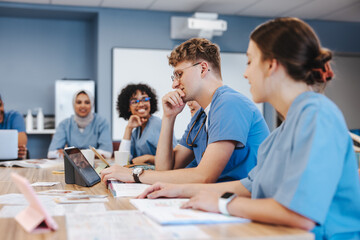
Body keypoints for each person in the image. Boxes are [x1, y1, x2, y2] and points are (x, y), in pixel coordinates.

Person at [138, 18, 360, 239]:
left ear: (271, 65)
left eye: (250, 62)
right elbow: (248, 186)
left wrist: (224, 203)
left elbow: (300, 214)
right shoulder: (283, 132)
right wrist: (173, 189)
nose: (246, 73)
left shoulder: (317, 115)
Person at [101, 38, 269, 184]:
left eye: (179, 74)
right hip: (216, 199)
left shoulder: (229, 103)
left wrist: (134, 174)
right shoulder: (201, 117)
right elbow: (165, 168)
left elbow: (204, 176)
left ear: (203, 68)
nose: (174, 84)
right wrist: (169, 117)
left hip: (243, 205)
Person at [116, 83, 177, 165]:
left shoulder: (157, 124)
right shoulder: (136, 131)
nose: (141, 104)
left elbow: (174, 159)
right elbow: (122, 160)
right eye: (134, 101)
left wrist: (148, 158)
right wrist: (129, 128)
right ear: (128, 107)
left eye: (145, 99)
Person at [48, 90, 113, 159]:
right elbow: (51, 153)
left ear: (92, 104)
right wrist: (92, 154)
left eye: (87, 102)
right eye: (79, 102)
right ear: (74, 104)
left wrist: (70, 153)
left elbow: (107, 153)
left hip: (96, 167)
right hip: (73, 166)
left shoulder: (101, 122)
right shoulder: (64, 124)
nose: (83, 106)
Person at [0, 94, 27, 159]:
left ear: (3, 103)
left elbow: (20, 145)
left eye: (0, 105)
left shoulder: (14, 116)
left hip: (12, 163)